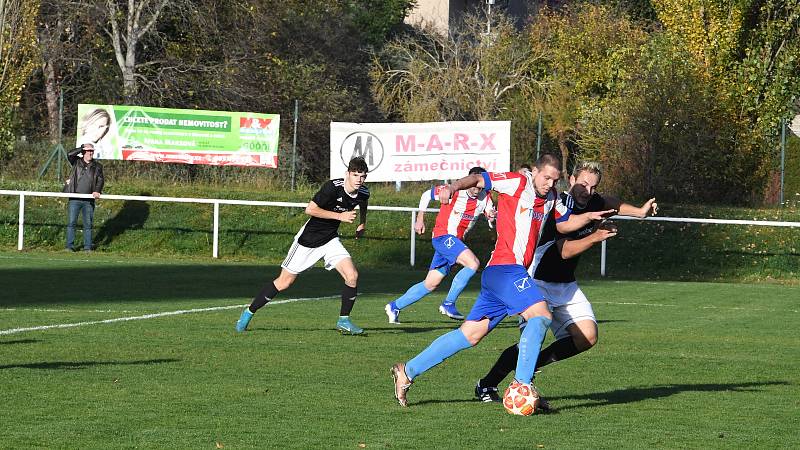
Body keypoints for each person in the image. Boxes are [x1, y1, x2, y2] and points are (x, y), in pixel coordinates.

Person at [390, 154, 613, 408]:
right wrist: (452, 187)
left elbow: (566, 222)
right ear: (535, 172)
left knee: (470, 335)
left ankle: (407, 371)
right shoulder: (517, 182)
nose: (550, 184)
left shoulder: (551, 198)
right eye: (546, 178)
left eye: (555, 180)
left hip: (502, 276)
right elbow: (477, 178)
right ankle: (523, 386)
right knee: (541, 316)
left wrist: (592, 218)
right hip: (505, 269)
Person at [473, 161, 658, 403]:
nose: (587, 191)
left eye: (593, 187)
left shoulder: (593, 201)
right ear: (571, 180)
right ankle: (487, 385)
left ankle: (531, 367)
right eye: (582, 184)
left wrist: (639, 212)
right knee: (528, 343)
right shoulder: (556, 206)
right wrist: (596, 236)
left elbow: (611, 202)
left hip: (566, 284)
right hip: (537, 280)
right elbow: (565, 251)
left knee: (587, 337)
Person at [236, 157, 371, 335]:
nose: (359, 180)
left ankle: (343, 320)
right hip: (308, 240)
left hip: (330, 240)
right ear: (347, 174)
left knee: (352, 275)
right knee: (284, 282)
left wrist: (362, 223)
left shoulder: (363, 192)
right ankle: (248, 313)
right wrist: (340, 217)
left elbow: (363, 204)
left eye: (362, 176)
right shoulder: (332, 187)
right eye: (355, 175)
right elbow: (310, 209)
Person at [384, 167, 495, 324]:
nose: (477, 189)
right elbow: (425, 195)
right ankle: (448, 303)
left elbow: (490, 215)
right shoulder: (454, 190)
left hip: (454, 243)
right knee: (473, 263)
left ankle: (394, 306)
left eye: (480, 186)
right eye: (474, 184)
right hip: (443, 236)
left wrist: (491, 217)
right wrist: (420, 218)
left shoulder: (486, 197)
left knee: (431, 283)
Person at [64, 143, 105, 252]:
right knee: (72, 223)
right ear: (83, 152)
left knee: (88, 224)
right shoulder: (76, 162)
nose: (91, 153)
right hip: (74, 198)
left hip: (88, 200)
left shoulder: (98, 166)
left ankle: (87, 247)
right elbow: (69, 154)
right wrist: (82, 148)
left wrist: (97, 190)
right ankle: (69, 246)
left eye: (92, 151)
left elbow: (100, 180)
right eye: (88, 151)